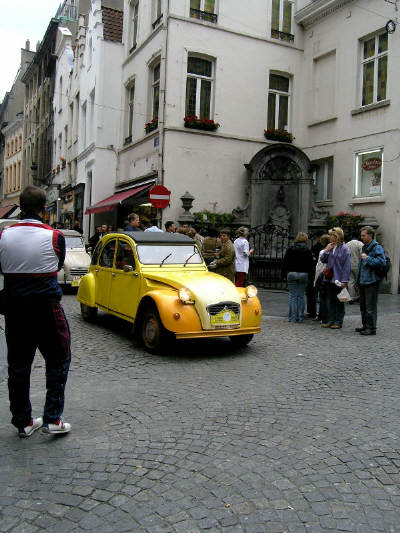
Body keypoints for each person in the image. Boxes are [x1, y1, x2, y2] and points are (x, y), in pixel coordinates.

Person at [0, 186, 71, 437]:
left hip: (16, 309)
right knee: (59, 359)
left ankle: (23, 421)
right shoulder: (54, 236)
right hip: (46, 308)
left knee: (18, 366)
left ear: (20, 207)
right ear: (44, 209)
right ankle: (53, 418)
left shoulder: (4, 235)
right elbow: (57, 263)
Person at [355, 225, 387, 335]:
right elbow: (360, 266)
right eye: (361, 235)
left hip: (371, 281)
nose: (361, 237)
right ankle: (365, 326)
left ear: (370, 235)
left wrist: (367, 258)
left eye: (363, 235)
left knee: (370, 307)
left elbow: (381, 262)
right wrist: (357, 281)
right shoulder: (364, 247)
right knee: (363, 306)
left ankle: (371, 328)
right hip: (363, 281)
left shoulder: (376, 247)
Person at [320, 227, 351, 329]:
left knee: (339, 300)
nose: (330, 237)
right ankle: (330, 320)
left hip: (338, 279)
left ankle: (338, 321)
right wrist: (327, 251)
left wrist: (344, 280)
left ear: (337, 236)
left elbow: (347, 266)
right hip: (329, 278)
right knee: (330, 300)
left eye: (331, 235)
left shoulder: (345, 248)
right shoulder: (330, 246)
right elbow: (323, 260)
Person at [282, 232, 314, 323]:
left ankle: (292, 317)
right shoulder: (307, 250)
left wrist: (283, 274)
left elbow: (285, 262)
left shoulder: (290, 249)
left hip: (292, 273)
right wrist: (311, 277)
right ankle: (300, 316)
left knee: (292, 295)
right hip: (304, 274)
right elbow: (311, 265)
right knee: (301, 295)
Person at [313, 234, 330, 324]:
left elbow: (319, 267)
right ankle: (324, 316)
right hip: (328, 276)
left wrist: (316, 280)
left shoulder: (323, 252)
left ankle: (323, 316)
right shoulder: (328, 251)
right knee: (325, 298)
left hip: (323, 276)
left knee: (323, 298)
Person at [346, 236, 363, 302]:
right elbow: (362, 254)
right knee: (359, 281)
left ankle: (351, 297)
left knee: (350, 281)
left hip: (349, 265)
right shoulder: (360, 244)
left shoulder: (347, 244)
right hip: (358, 265)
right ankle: (360, 296)